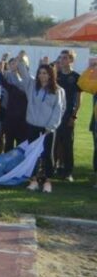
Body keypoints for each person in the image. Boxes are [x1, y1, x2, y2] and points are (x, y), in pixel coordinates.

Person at [13, 54, 66, 193]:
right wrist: (20, 60)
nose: (42, 76)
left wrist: (51, 127)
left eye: (45, 73)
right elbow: (23, 73)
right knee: (32, 154)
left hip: (48, 128)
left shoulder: (58, 91)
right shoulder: (31, 85)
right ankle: (34, 180)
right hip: (32, 125)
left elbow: (59, 110)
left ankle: (48, 181)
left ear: (51, 75)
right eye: (40, 73)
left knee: (47, 154)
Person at [54, 50, 81, 181]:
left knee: (67, 144)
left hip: (68, 115)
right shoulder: (56, 76)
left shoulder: (76, 77)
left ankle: (68, 171)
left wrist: (73, 116)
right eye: (60, 58)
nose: (62, 60)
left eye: (65, 58)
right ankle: (54, 167)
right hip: (55, 115)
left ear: (71, 60)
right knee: (54, 142)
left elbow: (78, 99)